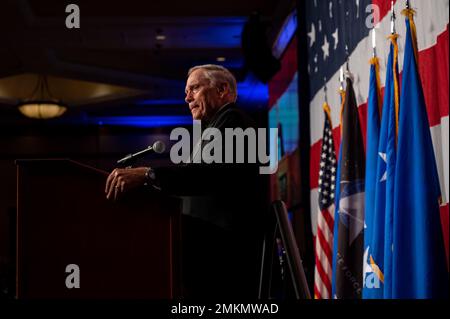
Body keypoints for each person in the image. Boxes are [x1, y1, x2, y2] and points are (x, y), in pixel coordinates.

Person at [105, 64, 268, 298]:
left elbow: (204, 176)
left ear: (222, 89)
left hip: (225, 260)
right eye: (186, 91)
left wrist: (147, 174)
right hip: (211, 256)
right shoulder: (216, 127)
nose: (187, 98)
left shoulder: (233, 121)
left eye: (194, 88)